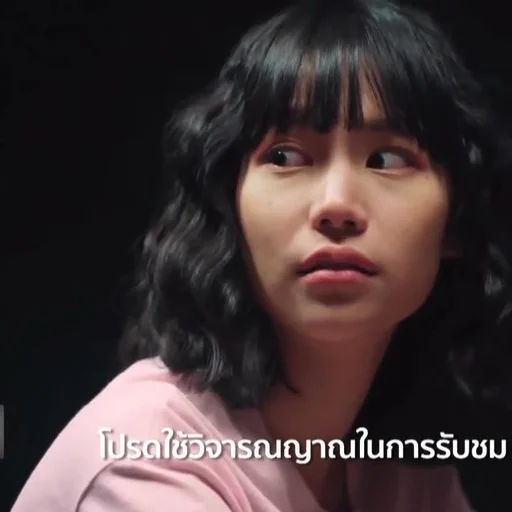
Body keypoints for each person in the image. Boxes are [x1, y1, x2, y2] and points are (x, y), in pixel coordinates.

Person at [11, 0, 512, 510]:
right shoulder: (147, 458)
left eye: (386, 159)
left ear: (457, 221)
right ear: (228, 205)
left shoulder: (406, 476)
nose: (335, 205)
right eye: (285, 156)